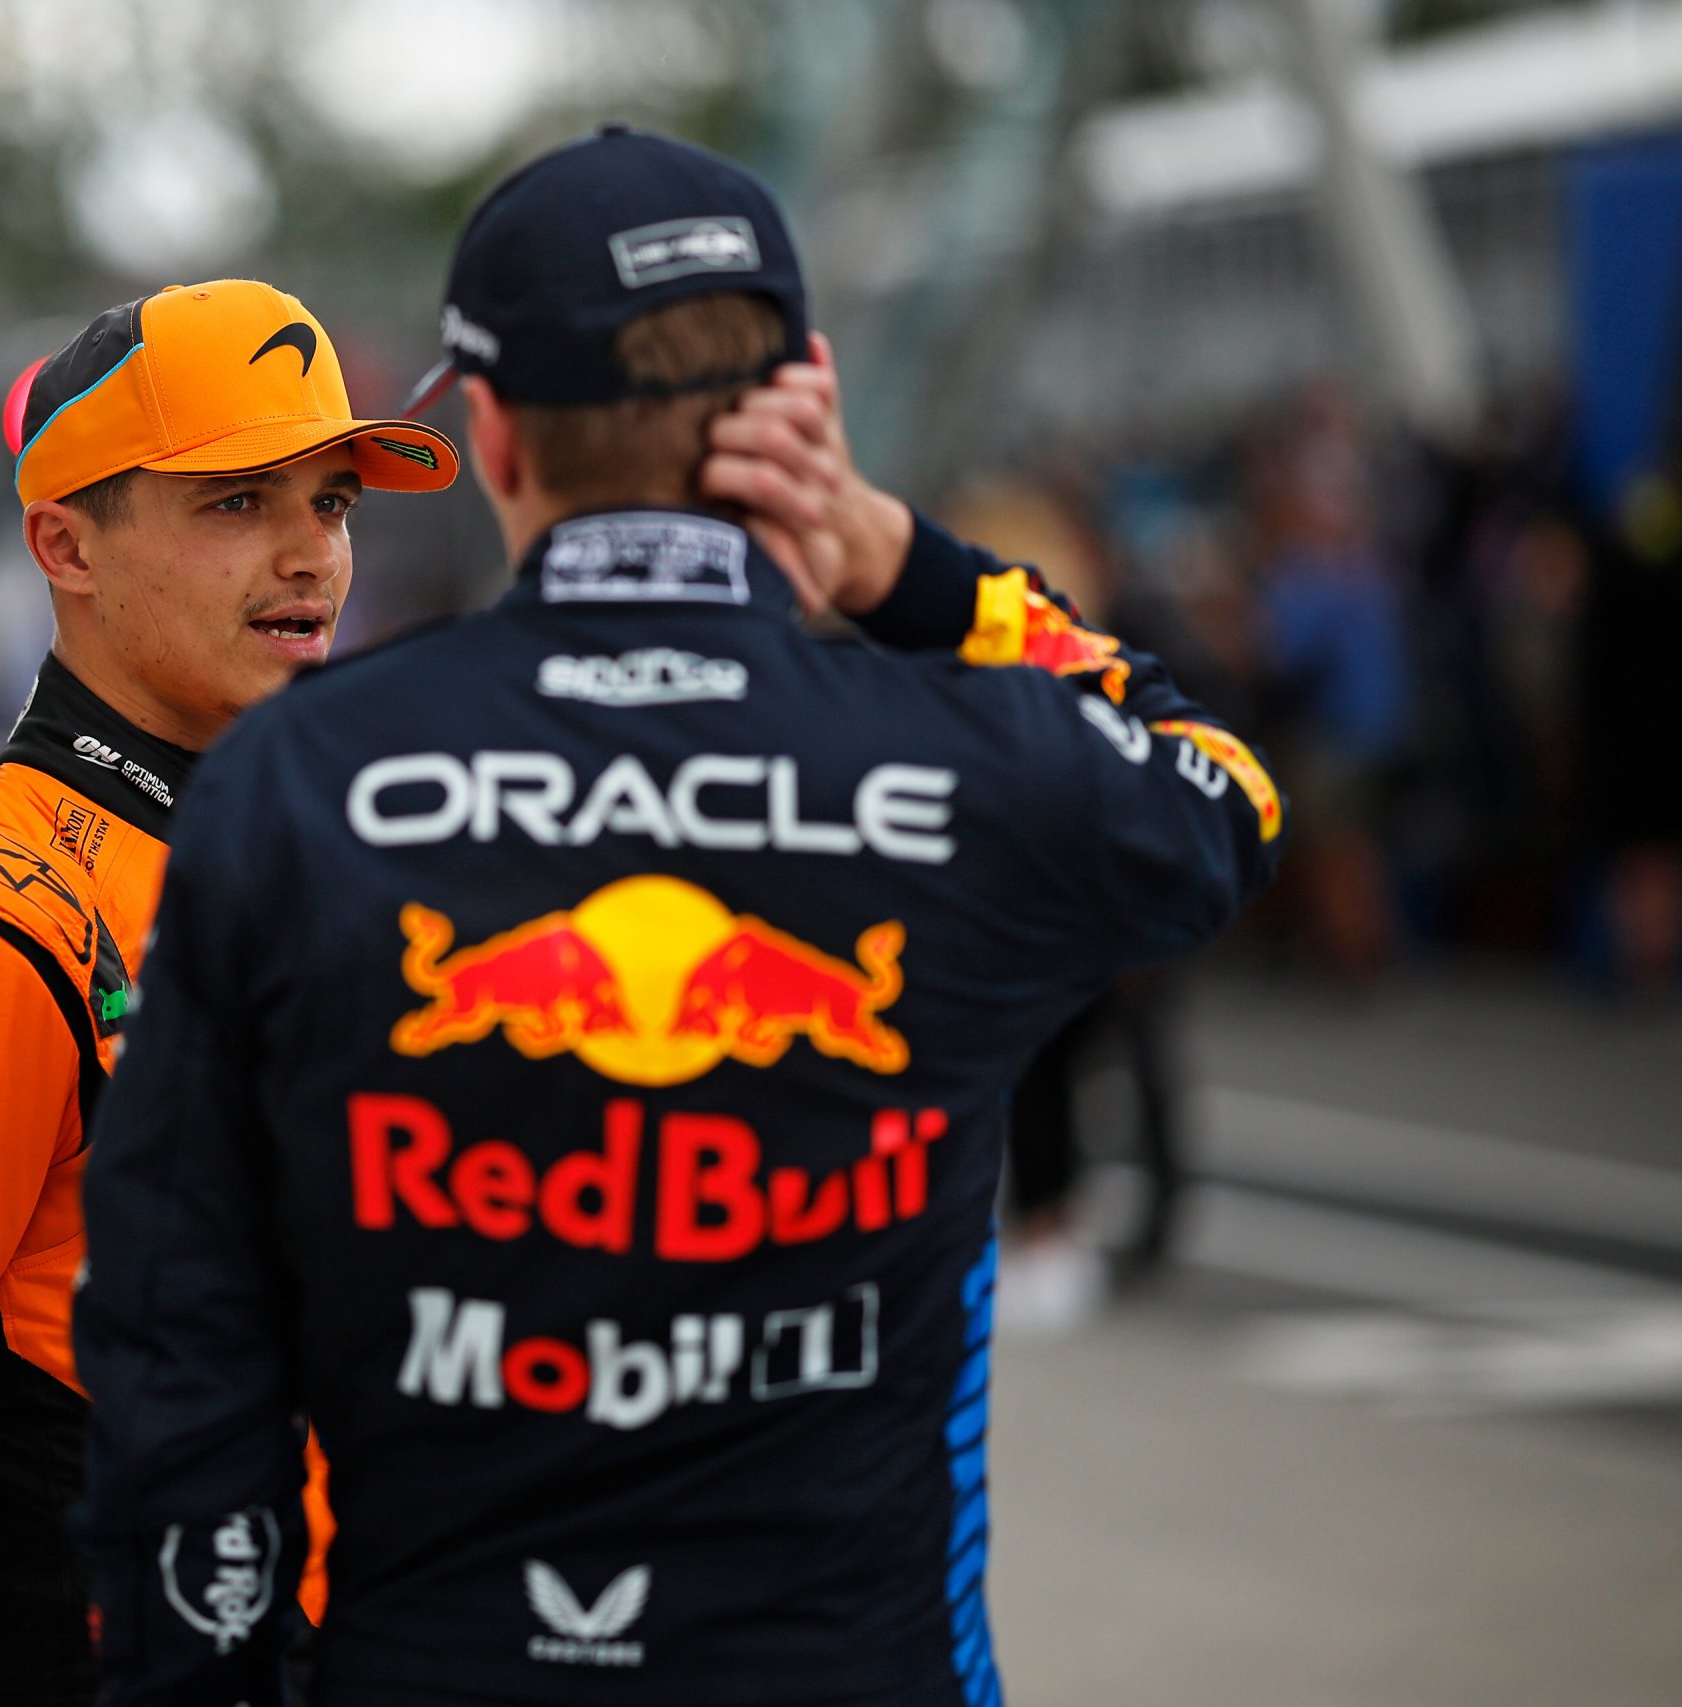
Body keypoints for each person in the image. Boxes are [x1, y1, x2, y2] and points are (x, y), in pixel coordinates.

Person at [72, 127, 1286, 1707]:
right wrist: (908, 567)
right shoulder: (968, 757)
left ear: (493, 432)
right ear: (799, 406)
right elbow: (1225, 796)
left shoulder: (295, 776)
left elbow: (176, 1343)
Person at [0, 279, 463, 1707]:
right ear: (64, 542)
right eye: (238, 504)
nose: (311, 556)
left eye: (333, 502)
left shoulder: (317, 841)